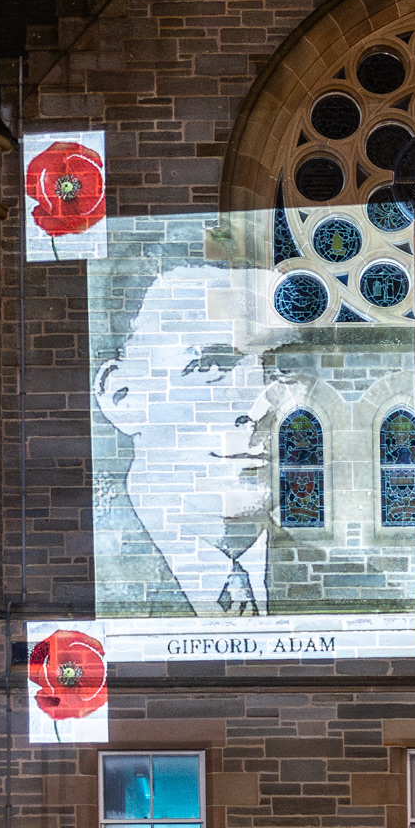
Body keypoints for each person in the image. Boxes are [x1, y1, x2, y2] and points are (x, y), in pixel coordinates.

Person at [90, 246, 286, 619]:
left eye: (280, 366)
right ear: (122, 396)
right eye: (211, 364)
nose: (261, 405)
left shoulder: (362, 589)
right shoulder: (81, 575)